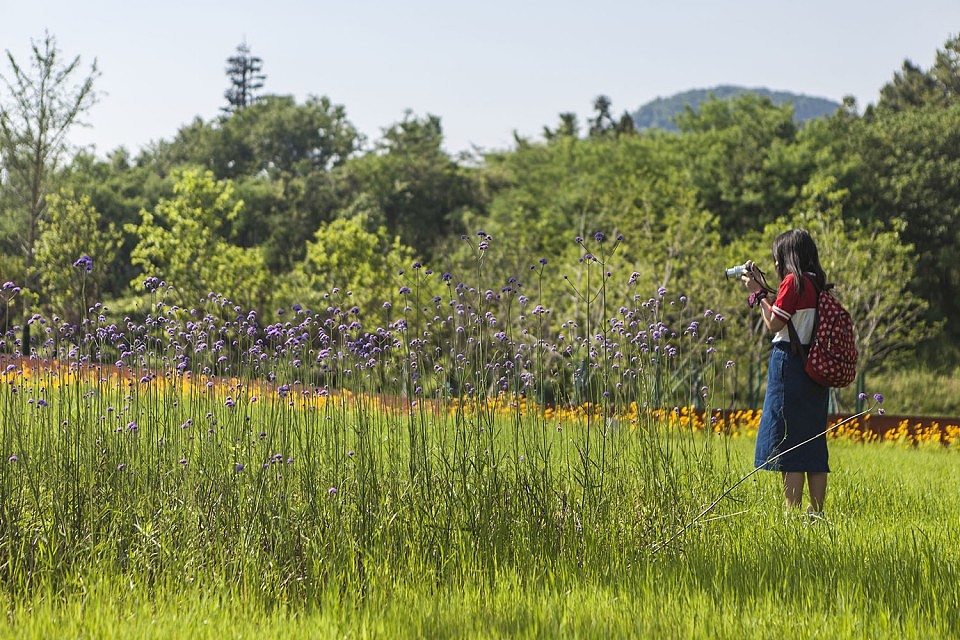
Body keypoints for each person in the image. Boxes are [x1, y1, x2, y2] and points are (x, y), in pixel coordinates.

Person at [741, 229, 830, 517]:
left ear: (787, 257)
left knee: (790, 443)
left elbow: (774, 324)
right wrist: (766, 292)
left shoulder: (793, 282)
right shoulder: (817, 283)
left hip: (790, 364)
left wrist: (757, 293)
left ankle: (791, 514)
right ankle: (816, 514)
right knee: (813, 441)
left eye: (778, 258)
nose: (777, 265)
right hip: (816, 368)